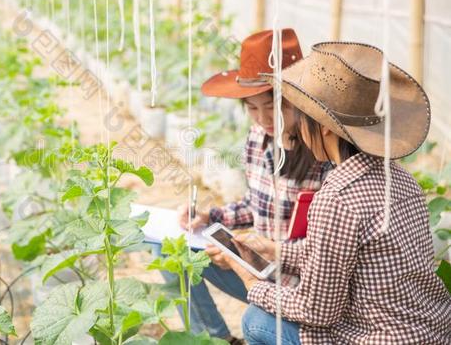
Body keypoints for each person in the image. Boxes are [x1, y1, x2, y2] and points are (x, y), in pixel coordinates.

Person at [222, 41, 451, 344]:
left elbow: (317, 311)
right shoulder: (400, 177)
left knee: (256, 320)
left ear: (325, 127)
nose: (299, 130)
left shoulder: (337, 198)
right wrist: (272, 249)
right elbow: (340, 255)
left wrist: (251, 281)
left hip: (378, 338)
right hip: (430, 331)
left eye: (302, 119)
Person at [153, 29, 331, 343]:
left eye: (274, 105)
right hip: (260, 264)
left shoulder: (324, 152)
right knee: (169, 249)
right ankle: (217, 338)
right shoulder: (257, 138)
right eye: (252, 107)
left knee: (256, 320)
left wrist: (246, 259)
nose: (264, 118)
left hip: (300, 286)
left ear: (297, 99)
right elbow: (255, 205)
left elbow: (327, 252)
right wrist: (211, 218)